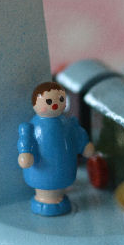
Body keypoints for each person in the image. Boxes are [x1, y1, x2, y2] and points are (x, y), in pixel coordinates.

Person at [18, 81, 95, 215]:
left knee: (60, 178)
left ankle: (58, 198)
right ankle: (43, 200)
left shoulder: (67, 123)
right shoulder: (33, 126)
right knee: (43, 179)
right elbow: (26, 140)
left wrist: (84, 145)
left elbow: (76, 134)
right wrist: (26, 153)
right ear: (35, 104)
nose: (55, 104)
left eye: (60, 100)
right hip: (41, 169)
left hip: (63, 168)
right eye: (48, 101)